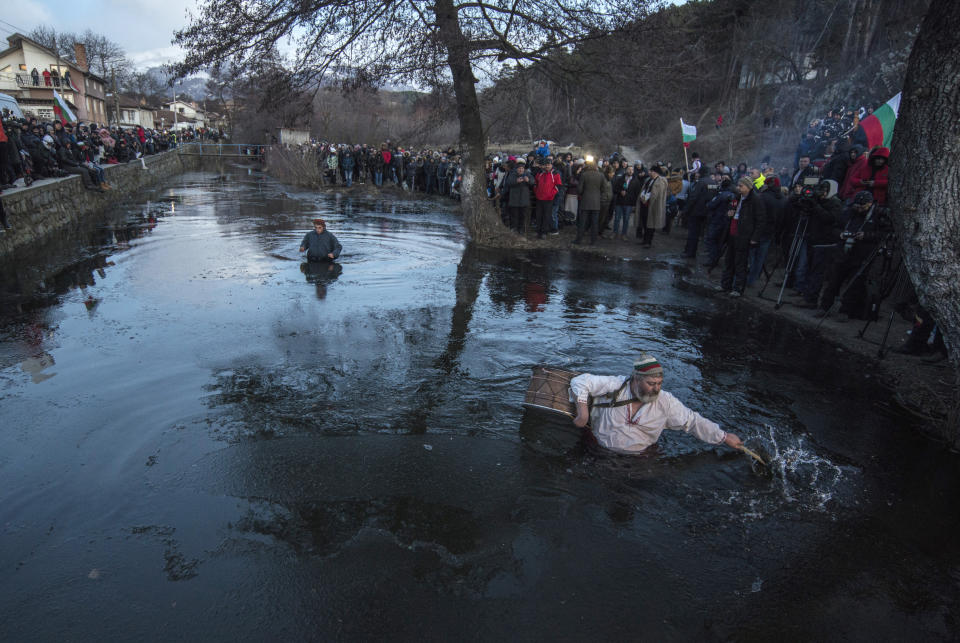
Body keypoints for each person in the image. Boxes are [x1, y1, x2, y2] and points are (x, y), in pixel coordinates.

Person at [570, 354, 744, 454]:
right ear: (636, 379)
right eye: (651, 384)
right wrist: (583, 413)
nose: (656, 389)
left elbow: (692, 421)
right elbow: (580, 381)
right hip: (598, 451)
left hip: (640, 459)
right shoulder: (615, 385)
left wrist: (723, 436)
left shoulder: (665, 401)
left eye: (659, 383)